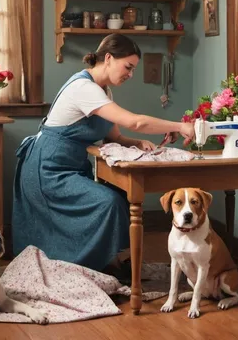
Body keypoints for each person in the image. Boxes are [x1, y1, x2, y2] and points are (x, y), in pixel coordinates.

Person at [12, 34, 194, 275]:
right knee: (107, 202)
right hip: (47, 169)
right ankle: (103, 265)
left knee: (118, 194)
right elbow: (135, 122)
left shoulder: (103, 91)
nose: (130, 74)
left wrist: (138, 143)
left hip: (69, 166)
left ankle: (107, 263)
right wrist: (178, 126)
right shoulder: (83, 88)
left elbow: (115, 137)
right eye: (128, 67)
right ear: (108, 58)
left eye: (133, 69)